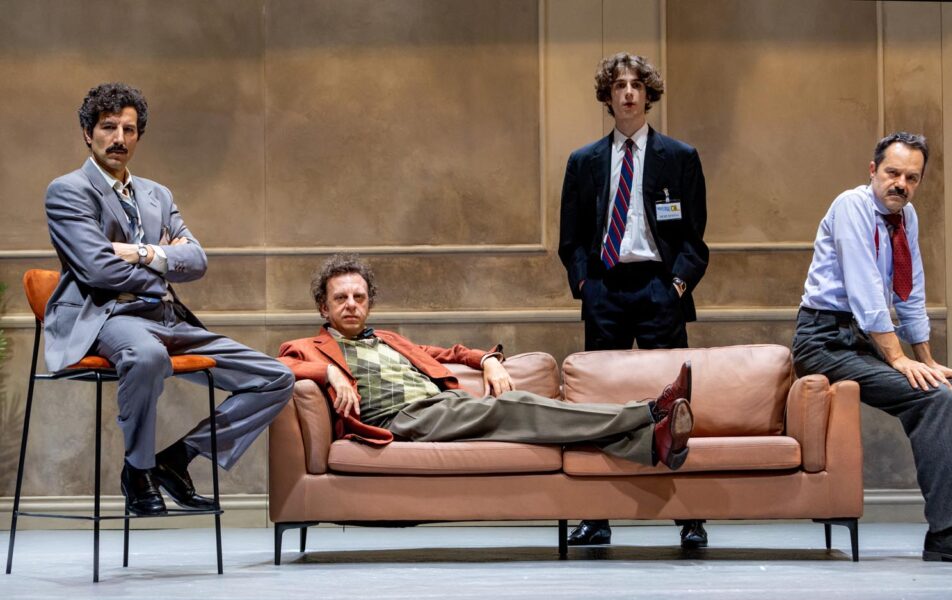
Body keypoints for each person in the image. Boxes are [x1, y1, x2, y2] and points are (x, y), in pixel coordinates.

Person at [44, 83, 294, 516]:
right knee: (146, 357)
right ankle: (138, 470)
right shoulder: (68, 191)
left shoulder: (157, 194)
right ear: (88, 133)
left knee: (276, 378)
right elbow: (99, 270)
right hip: (108, 317)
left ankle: (177, 459)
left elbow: (196, 260)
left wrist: (143, 252)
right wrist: (163, 263)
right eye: (108, 127)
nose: (119, 138)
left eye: (129, 129)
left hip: (167, 318)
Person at [792, 131, 952, 562]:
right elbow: (865, 293)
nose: (901, 184)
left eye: (912, 178)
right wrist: (897, 358)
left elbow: (910, 293)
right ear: (873, 170)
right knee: (932, 397)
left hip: (859, 339)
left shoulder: (905, 217)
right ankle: (945, 534)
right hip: (823, 341)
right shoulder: (851, 206)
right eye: (893, 173)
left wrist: (927, 362)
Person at [278, 254, 696, 477]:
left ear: (369, 303)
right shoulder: (308, 347)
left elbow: (450, 353)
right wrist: (328, 371)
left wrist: (489, 360)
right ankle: (649, 411)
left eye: (359, 297)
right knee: (514, 406)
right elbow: (275, 369)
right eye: (341, 298)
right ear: (324, 307)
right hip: (400, 419)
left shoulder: (388, 340)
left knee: (541, 427)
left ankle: (650, 444)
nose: (351, 305)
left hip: (442, 409)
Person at [557, 52, 709, 548]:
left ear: (648, 94)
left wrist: (676, 288)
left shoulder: (680, 157)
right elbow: (570, 240)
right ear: (607, 96)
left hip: (659, 288)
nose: (627, 93)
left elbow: (694, 240)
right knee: (601, 405)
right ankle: (596, 516)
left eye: (636, 85)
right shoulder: (584, 162)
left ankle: (689, 517)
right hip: (605, 288)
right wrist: (587, 286)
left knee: (674, 402)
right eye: (619, 85)